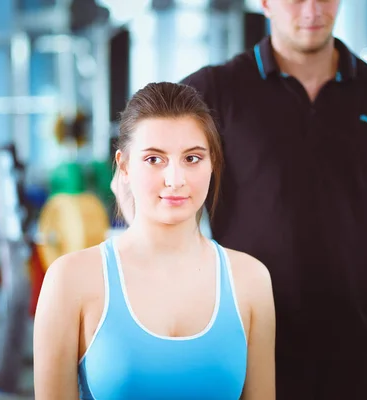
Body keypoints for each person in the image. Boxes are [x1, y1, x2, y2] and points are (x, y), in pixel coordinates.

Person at [113, 1, 367, 398]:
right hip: (248, 350)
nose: (311, 9)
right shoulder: (215, 90)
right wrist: (166, 276)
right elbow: (133, 177)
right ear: (266, 3)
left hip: (362, 354)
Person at [33, 82, 276, 400]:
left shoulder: (251, 279)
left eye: (192, 158)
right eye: (153, 159)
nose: (175, 179)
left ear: (212, 163)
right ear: (124, 166)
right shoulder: (70, 279)